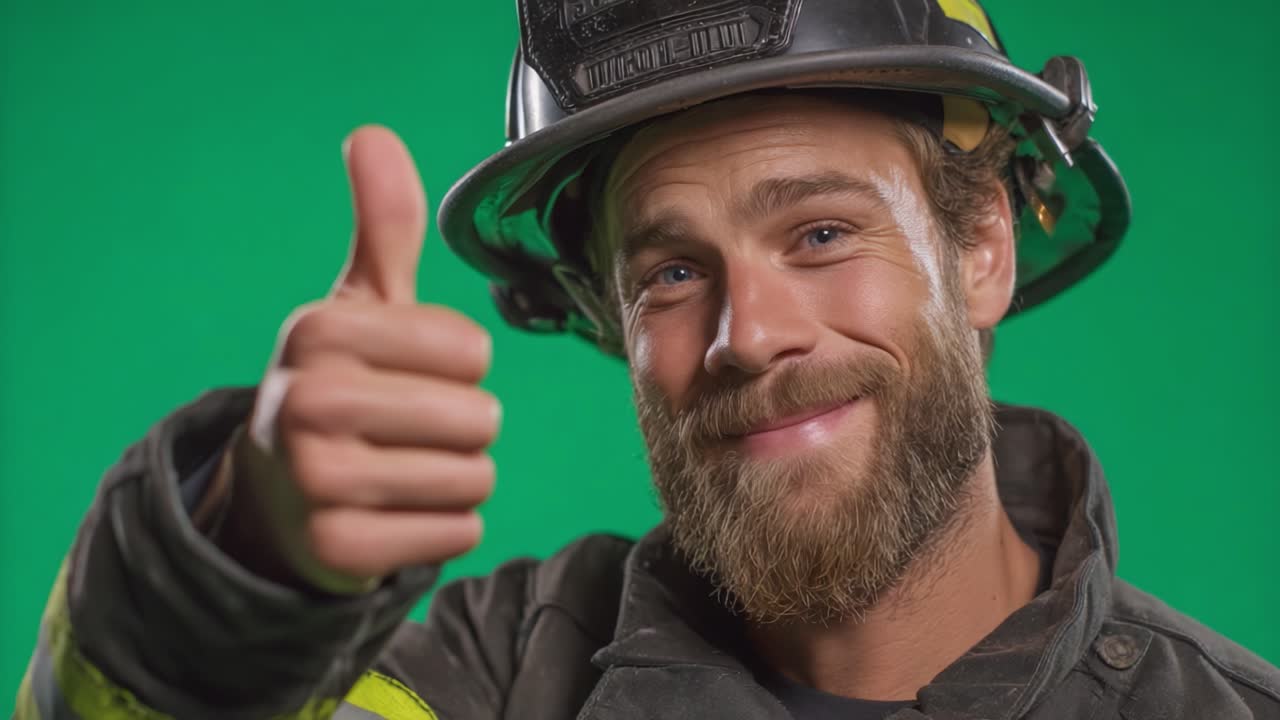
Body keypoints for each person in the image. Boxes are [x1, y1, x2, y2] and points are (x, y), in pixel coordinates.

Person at [13, 1, 1280, 719]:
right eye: (670, 273)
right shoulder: (481, 686)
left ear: (982, 247)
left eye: (820, 233)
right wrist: (242, 567)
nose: (747, 335)